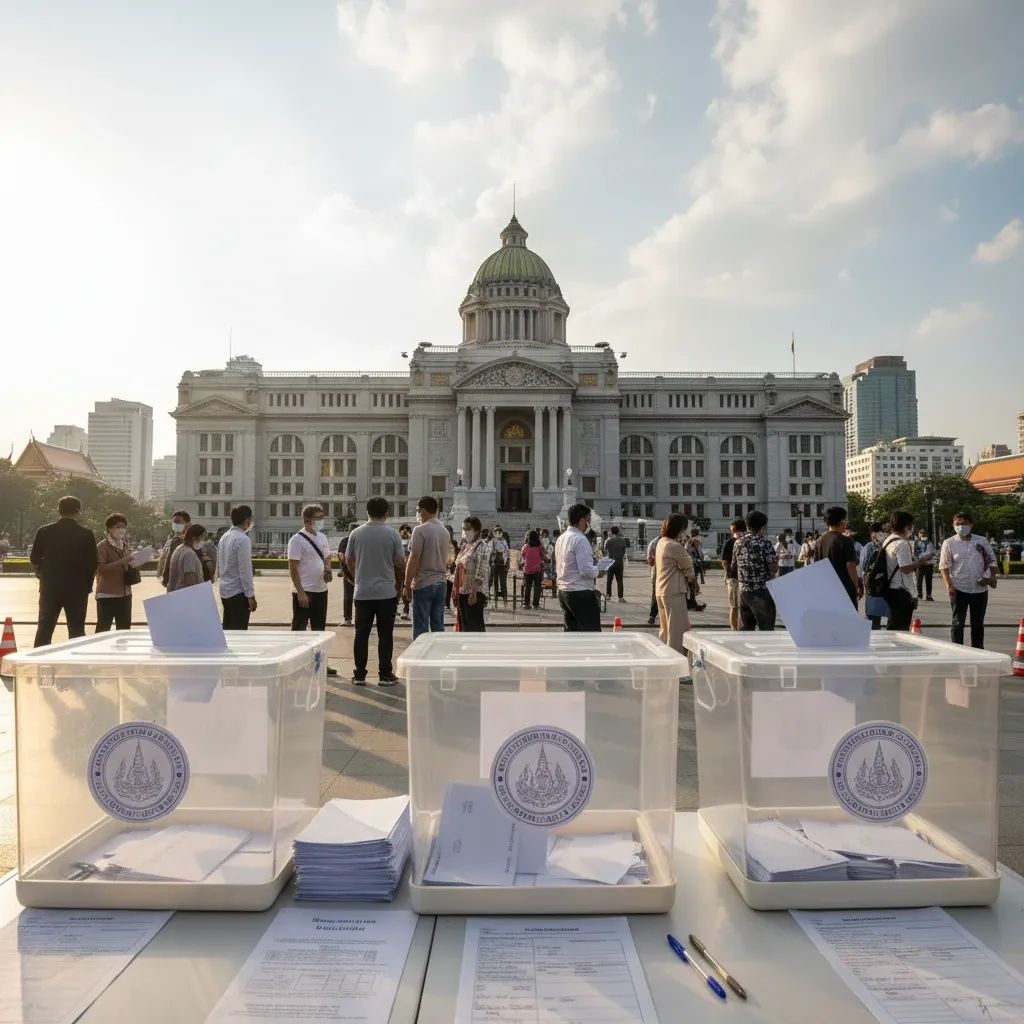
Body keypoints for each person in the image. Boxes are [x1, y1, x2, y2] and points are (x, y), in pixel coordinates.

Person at [346, 498, 406, 685]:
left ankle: (360, 674)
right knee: (385, 635)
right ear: (386, 512)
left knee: (361, 634)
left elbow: (349, 560)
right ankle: (385, 674)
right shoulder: (392, 534)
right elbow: (400, 563)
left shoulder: (356, 533)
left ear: (367, 512)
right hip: (386, 592)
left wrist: (359, 576)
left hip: (363, 591)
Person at [30, 496, 97, 647]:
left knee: (45, 628)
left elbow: (34, 558)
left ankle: (39, 661)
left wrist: (43, 573)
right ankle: (76, 664)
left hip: (50, 587)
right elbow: (92, 563)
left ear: (58, 510)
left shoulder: (44, 531)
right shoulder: (86, 534)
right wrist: (87, 586)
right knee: (77, 630)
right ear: (78, 512)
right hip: (77, 589)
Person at [287, 504, 338, 675]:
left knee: (319, 630)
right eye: (318, 518)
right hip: (304, 592)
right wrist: (300, 592)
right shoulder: (297, 540)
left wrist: (328, 570)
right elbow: (293, 568)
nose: (322, 521)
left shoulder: (322, 537)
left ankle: (320, 664)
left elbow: (327, 558)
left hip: (321, 590)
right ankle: (294, 664)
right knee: (299, 630)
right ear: (308, 520)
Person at [939, 512, 997, 649]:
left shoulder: (981, 541)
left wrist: (990, 576)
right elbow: (944, 567)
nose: (961, 527)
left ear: (971, 524)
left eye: (964, 524)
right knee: (958, 623)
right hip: (959, 588)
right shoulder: (949, 543)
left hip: (980, 588)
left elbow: (992, 561)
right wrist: (949, 586)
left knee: (977, 623)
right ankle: (957, 650)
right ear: (953, 525)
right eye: (957, 524)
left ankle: (977, 650)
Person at [403, 495, 450, 639]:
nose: (417, 514)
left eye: (418, 510)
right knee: (438, 625)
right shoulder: (444, 532)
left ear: (425, 511)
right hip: (441, 583)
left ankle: (419, 658)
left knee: (421, 627)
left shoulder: (420, 530)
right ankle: (437, 657)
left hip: (423, 583)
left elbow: (414, 558)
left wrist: (406, 584)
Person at [555, 503, 604, 632]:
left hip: (564, 591)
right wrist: (599, 571)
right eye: (589, 519)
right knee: (590, 634)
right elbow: (586, 570)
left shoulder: (561, 538)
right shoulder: (580, 539)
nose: (590, 523)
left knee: (572, 635)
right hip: (580, 593)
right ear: (582, 520)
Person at [880, 511, 929, 632]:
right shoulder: (902, 543)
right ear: (907, 526)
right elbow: (905, 568)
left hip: (891, 589)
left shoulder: (888, 540)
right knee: (900, 629)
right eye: (912, 525)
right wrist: (920, 562)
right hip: (901, 592)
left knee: (893, 626)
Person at [655, 513, 696, 654]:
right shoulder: (674, 546)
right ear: (680, 529)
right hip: (674, 590)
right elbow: (688, 567)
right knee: (677, 631)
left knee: (665, 629)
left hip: (661, 590)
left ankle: (664, 656)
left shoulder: (662, 541)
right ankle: (677, 659)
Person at [733, 510, 777, 631]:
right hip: (761, 591)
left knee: (746, 629)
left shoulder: (738, 543)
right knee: (766, 628)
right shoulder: (765, 543)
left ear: (747, 525)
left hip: (743, 591)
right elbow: (772, 569)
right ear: (763, 527)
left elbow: (734, 564)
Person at [95, 513, 135, 632]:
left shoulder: (125, 545)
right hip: (107, 595)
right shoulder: (102, 546)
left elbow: (127, 564)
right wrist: (122, 561)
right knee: (103, 628)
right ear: (109, 529)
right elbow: (100, 568)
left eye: (123, 527)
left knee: (124, 629)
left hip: (125, 594)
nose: (121, 529)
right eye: (118, 526)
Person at [218, 505, 257, 629]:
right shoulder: (242, 539)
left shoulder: (224, 537)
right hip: (238, 592)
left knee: (229, 630)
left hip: (225, 590)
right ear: (247, 521)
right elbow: (245, 570)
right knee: (239, 630)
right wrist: (250, 595)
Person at [815, 506, 859, 607]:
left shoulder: (819, 542)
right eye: (845, 519)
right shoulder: (845, 540)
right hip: (844, 588)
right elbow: (851, 566)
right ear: (842, 521)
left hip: (826, 589)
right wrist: (855, 587)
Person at [454, 516, 490, 632]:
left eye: (468, 529)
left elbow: (481, 570)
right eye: (463, 529)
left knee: (474, 624)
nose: (465, 532)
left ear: (476, 530)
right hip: (463, 589)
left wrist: (474, 591)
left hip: (475, 591)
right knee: (465, 624)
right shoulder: (465, 546)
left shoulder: (482, 545)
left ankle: (478, 649)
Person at [859, 522, 889, 630]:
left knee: (879, 616)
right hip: (872, 587)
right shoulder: (868, 548)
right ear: (873, 534)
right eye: (880, 533)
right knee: (873, 619)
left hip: (882, 587)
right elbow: (864, 568)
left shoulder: (884, 546)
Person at [720, 518, 747, 630]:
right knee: (735, 605)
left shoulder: (745, 541)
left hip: (741, 577)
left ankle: (739, 627)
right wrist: (729, 574)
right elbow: (724, 561)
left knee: (740, 606)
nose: (732, 532)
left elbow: (724, 561)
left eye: (733, 529)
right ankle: (734, 628)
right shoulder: (730, 542)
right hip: (735, 578)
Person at [157, 510, 191, 588]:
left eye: (178, 522)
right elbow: (164, 560)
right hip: (171, 583)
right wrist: (162, 576)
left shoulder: (190, 542)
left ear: (187, 524)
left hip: (182, 585)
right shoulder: (170, 541)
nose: (175, 524)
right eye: (174, 522)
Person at [168, 524, 208, 591]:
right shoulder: (189, 554)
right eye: (203, 537)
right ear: (194, 538)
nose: (203, 540)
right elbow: (190, 581)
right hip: (186, 596)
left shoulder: (179, 548)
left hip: (177, 593)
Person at [520, 530, 545, 610]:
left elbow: (522, 555)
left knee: (528, 587)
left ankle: (526, 603)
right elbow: (544, 555)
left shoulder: (525, 546)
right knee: (537, 588)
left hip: (527, 570)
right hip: (537, 570)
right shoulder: (539, 547)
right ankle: (535, 604)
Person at [604, 525, 628, 601]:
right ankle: (620, 597)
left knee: (609, 580)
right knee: (620, 581)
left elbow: (604, 549)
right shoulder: (622, 541)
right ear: (618, 532)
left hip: (610, 563)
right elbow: (624, 551)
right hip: (619, 563)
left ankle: (608, 595)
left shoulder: (608, 540)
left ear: (611, 532)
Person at [337, 534, 355, 626]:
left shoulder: (360, 539)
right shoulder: (345, 540)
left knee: (350, 596)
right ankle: (348, 619)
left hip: (359, 572)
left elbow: (341, 556)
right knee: (348, 596)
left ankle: (349, 619)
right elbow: (342, 556)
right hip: (349, 572)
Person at [490, 525, 510, 603]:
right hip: (495, 563)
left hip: (502, 563)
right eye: (496, 532)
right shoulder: (492, 541)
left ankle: (504, 595)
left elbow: (507, 551)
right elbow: (490, 551)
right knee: (495, 581)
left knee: (503, 581)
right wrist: (493, 553)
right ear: (494, 533)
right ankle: (495, 595)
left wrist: (507, 560)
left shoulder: (504, 541)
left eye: (499, 532)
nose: (498, 533)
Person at [397, 524, 413, 620]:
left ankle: (405, 611)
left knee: (406, 590)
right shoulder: (397, 542)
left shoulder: (411, 542)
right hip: (398, 570)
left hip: (407, 570)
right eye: (402, 529)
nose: (404, 531)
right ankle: (395, 609)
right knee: (396, 591)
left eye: (407, 529)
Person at [915, 530, 936, 601]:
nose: (923, 535)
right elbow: (914, 553)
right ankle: (919, 594)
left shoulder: (930, 543)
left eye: (924, 533)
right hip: (920, 564)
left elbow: (932, 553)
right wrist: (920, 560)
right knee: (919, 580)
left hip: (928, 564)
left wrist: (925, 559)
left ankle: (928, 595)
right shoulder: (916, 543)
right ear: (918, 534)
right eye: (921, 533)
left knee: (929, 580)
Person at [646, 534, 660, 625]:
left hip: (658, 572)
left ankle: (653, 615)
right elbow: (649, 560)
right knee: (656, 594)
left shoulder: (654, 542)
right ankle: (653, 615)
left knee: (656, 594)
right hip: (658, 572)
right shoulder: (654, 543)